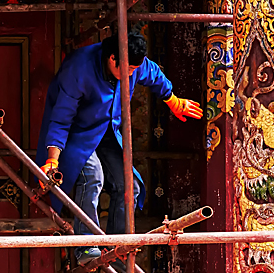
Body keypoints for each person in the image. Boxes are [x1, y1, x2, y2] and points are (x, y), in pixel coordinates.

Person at [37, 31, 203, 259]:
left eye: (135, 69)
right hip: (77, 134)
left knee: (130, 186)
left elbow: (154, 74)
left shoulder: (135, 65)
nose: (131, 74)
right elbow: (61, 120)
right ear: (112, 58)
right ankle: (86, 245)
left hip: (107, 132)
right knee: (93, 177)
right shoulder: (79, 69)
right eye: (128, 69)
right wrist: (52, 160)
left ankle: (115, 247)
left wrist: (172, 100)